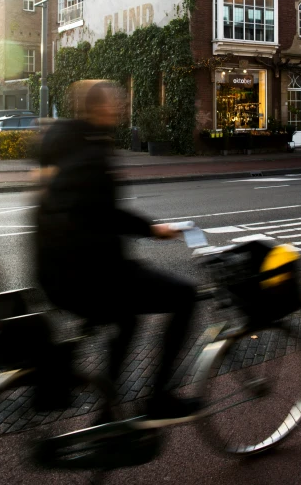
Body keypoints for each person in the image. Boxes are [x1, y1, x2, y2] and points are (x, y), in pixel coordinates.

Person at [35, 80, 198, 421]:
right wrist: (154, 229)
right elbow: (103, 214)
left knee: (127, 318)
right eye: (117, 102)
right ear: (100, 108)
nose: (122, 107)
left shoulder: (64, 142)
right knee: (185, 297)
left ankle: (107, 410)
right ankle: (158, 398)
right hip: (90, 275)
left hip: (54, 273)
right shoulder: (91, 154)